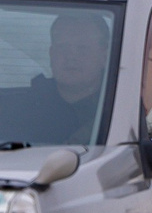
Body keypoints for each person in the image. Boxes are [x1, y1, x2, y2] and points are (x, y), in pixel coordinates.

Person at [13, 12, 111, 142]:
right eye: (63, 47)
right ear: (51, 54)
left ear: (104, 57)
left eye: (82, 48)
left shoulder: (118, 110)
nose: (71, 56)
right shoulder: (19, 112)